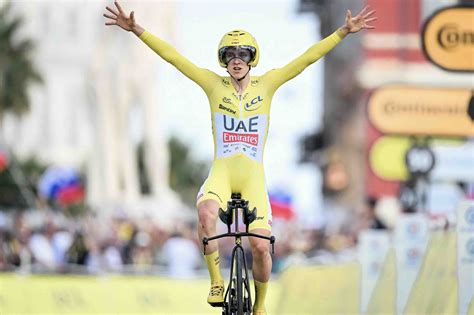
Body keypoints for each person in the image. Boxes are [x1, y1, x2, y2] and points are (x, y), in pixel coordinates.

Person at [103, 2, 376, 313]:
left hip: (253, 179)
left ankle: (259, 305)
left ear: (252, 58)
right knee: (206, 215)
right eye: (229, 55)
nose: (236, 60)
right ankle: (216, 281)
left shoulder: (268, 84)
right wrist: (137, 30)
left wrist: (342, 32)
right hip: (221, 173)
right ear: (223, 61)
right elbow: (174, 58)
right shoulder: (212, 84)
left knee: (260, 247)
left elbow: (306, 59)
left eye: (242, 54)